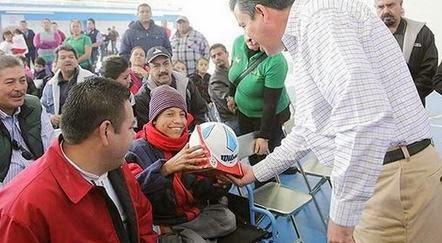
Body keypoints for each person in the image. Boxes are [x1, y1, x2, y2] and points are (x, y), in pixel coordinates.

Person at [228, 0, 442, 242]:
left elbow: (364, 120)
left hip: (392, 179)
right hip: (381, 175)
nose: (247, 36)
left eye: (244, 25)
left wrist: (341, 221)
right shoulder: (307, 31)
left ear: (261, 12)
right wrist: (255, 172)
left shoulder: (320, 19)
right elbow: (308, 130)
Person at [0, 77, 158, 243]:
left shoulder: (114, 164)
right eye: (131, 127)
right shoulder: (21, 212)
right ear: (105, 132)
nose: (135, 136)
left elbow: (142, 219)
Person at [126, 85, 236, 241]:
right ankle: (171, 232)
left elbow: (199, 191)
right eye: (170, 114)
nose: (178, 121)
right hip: (159, 217)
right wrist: (165, 169)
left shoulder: (192, 143)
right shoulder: (135, 149)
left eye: (182, 114)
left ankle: (172, 232)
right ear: (155, 119)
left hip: (190, 215)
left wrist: (218, 183)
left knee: (227, 219)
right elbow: (134, 194)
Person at [229, 34, 290, 169]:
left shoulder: (276, 60)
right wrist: (231, 95)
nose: (252, 39)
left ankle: (276, 176)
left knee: (271, 151)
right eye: (246, 28)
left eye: (257, 34)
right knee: (254, 156)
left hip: (270, 115)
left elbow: (270, 104)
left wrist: (264, 136)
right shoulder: (238, 42)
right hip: (244, 112)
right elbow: (234, 71)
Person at [0, 55, 54, 187]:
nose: (19, 88)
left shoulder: (34, 106)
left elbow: (50, 149)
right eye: (10, 82)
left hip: (40, 183)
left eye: (22, 80)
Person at [376, 0, 438, 106]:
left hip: (413, 106)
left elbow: (429, 72)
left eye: (390, 5)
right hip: (379, 107)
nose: (386, 11)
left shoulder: (421, 33)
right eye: (381, 7)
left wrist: (408, 98)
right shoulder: (367, 36)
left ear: (401, 5)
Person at [134, 46, 207, 131]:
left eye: (166, 63)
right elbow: (145, 128)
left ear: (171, 64)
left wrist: (194, 136)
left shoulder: (186, 84)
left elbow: (200, 112)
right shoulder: (143, 96)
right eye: (156, 66)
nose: (162, 70)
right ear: (148, 69)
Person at [41, 45, 94, 128]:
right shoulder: (50, 85)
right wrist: (51, 118)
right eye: (63, 58)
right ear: (56, 62)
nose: (67, 60)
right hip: (59, 130)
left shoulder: (91, 79)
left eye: (71, 57)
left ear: (76, 60)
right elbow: (42, 109)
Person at [208, 43, 239, 134]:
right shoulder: (216, 80)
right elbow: (231, 104)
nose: (217, 58)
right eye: (213, 56)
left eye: (219, 54)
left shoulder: (234, 70)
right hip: (233, 122)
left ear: (227, 54)